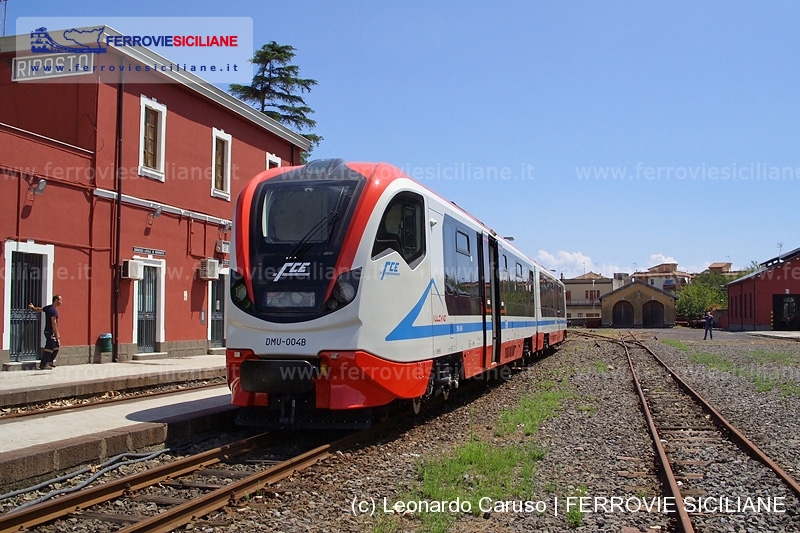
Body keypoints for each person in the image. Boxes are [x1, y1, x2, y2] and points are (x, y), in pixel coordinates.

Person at [28, 295, 62, 369]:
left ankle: (50, 361)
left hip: (48, 331)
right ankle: (43, 364)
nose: (61, 302)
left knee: (56, 346)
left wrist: (33, 308)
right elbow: (54, 322)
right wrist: (57, 333)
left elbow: (39, 309)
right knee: (49, 348)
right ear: (56, 300)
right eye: (60, 300)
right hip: (51, 332)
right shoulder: (53, 310)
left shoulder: (48, 308)